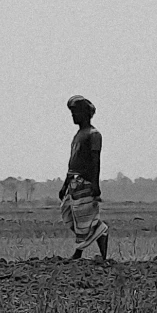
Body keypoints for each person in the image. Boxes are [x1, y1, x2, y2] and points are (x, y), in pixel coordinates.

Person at [59, 94, 108, 263]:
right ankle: (97, 234)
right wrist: (65, 185)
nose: (73, 116)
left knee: (84, 218)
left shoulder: (94, 134)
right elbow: (72, 161)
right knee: (70, 214)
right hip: (73, 182)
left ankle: (93, 253)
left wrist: (95, 183)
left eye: (76, 112)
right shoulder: (79, 134)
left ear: (85, 113)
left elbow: (95, 161)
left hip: (85, 182)